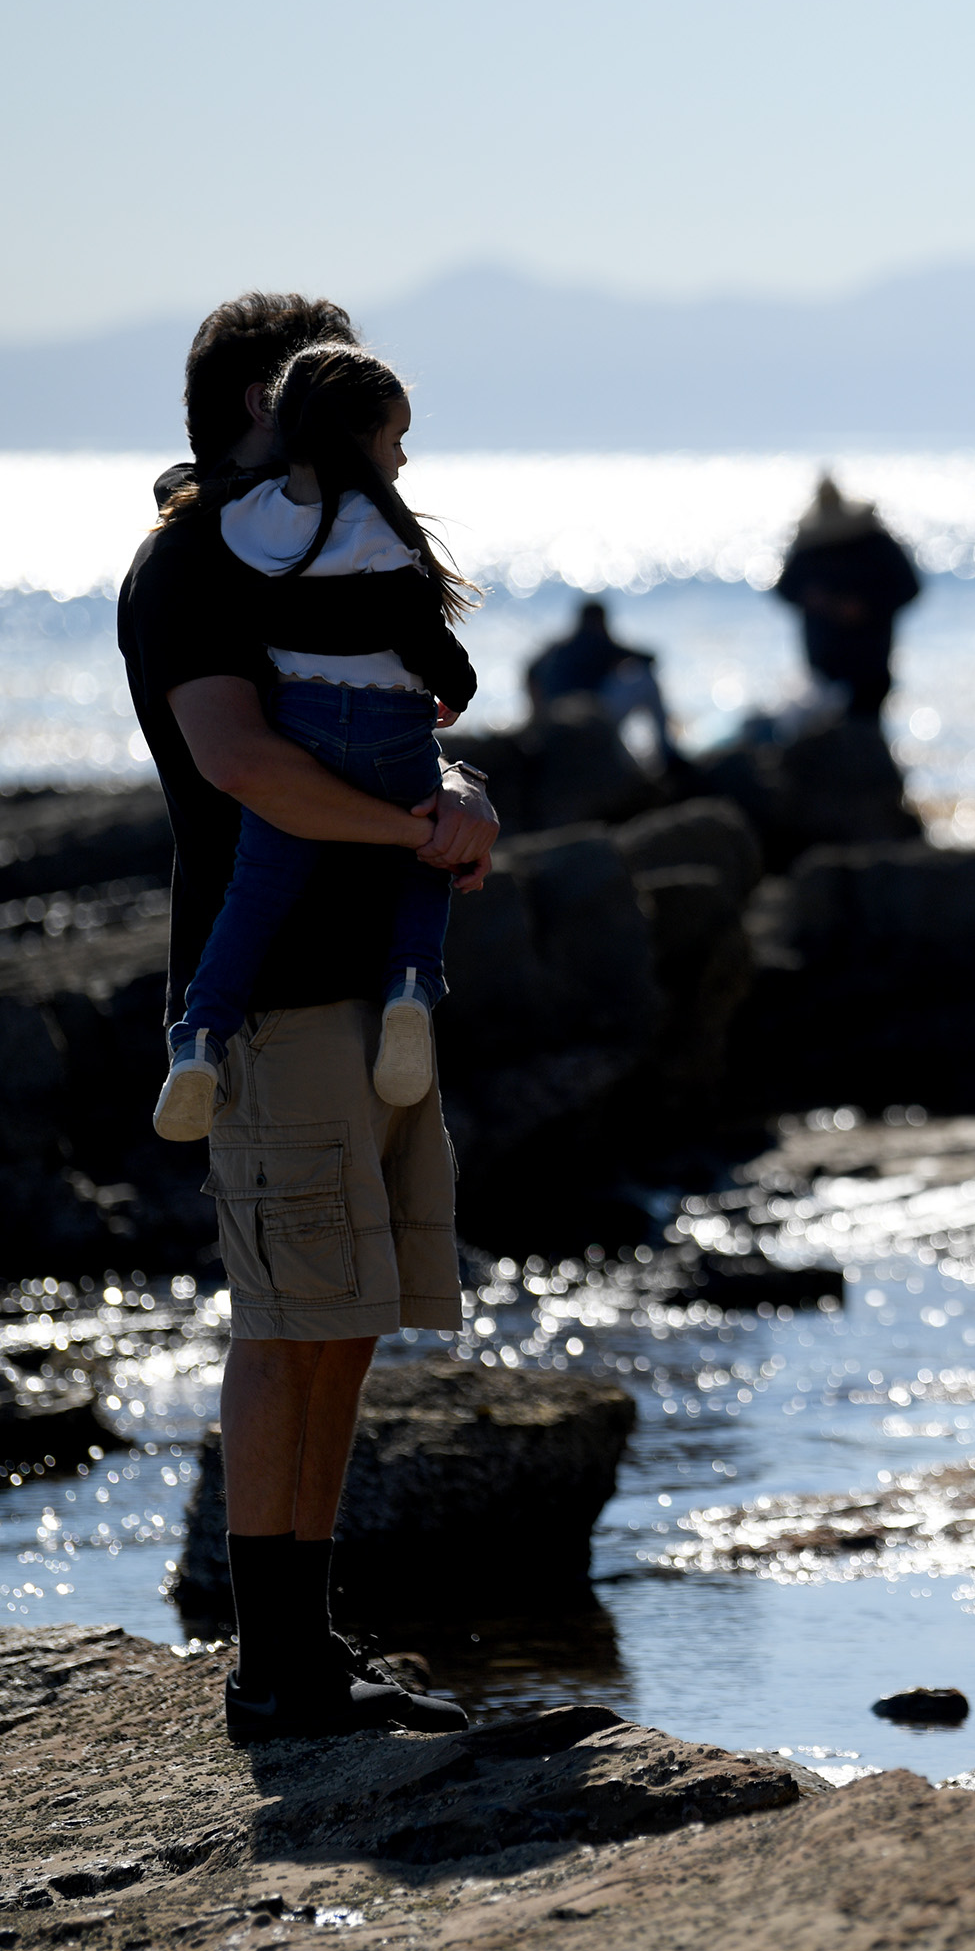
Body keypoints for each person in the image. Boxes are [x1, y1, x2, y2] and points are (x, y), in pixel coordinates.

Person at [119, 292, 490, 1746]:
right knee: (286, 1320)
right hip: (264, 991)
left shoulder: (315, 548)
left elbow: (398, 714)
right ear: (260, 410)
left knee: (345, 1322)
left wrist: (452, 798)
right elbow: (243, 764)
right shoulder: (191, 565)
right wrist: (412, 842)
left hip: (368, 987)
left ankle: (310, 1649)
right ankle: (271, 1669)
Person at [151, 344, 480, 1140]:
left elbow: (183, 491)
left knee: (254, 894)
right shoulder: (377, 531)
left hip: (298, 721)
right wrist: (457, 689)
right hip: (392, 729)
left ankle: (198, 1038)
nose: (402, 457)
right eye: (396, 437)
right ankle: (410, 988)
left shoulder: (243, 521)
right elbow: (423, 638)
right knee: (425, 859)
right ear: (358, 436)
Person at [774, 475, 921, 718]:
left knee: (864, 728)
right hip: (823, 663)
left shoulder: (875, 543)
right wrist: (813, 599)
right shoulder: (811, 546)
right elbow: (784, 589)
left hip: (871, 660)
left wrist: (866, 607)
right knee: (827, 732)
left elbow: (909, 587)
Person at [526, 599, 671, 761]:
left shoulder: (558, 647)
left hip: (552, 715)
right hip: (588, 715)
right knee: (645, 679)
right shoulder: (598, 641)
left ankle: (627, 752)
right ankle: (666, 752)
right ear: (598, 620)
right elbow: (648, 659)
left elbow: (530, 671)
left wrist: (536, 711)